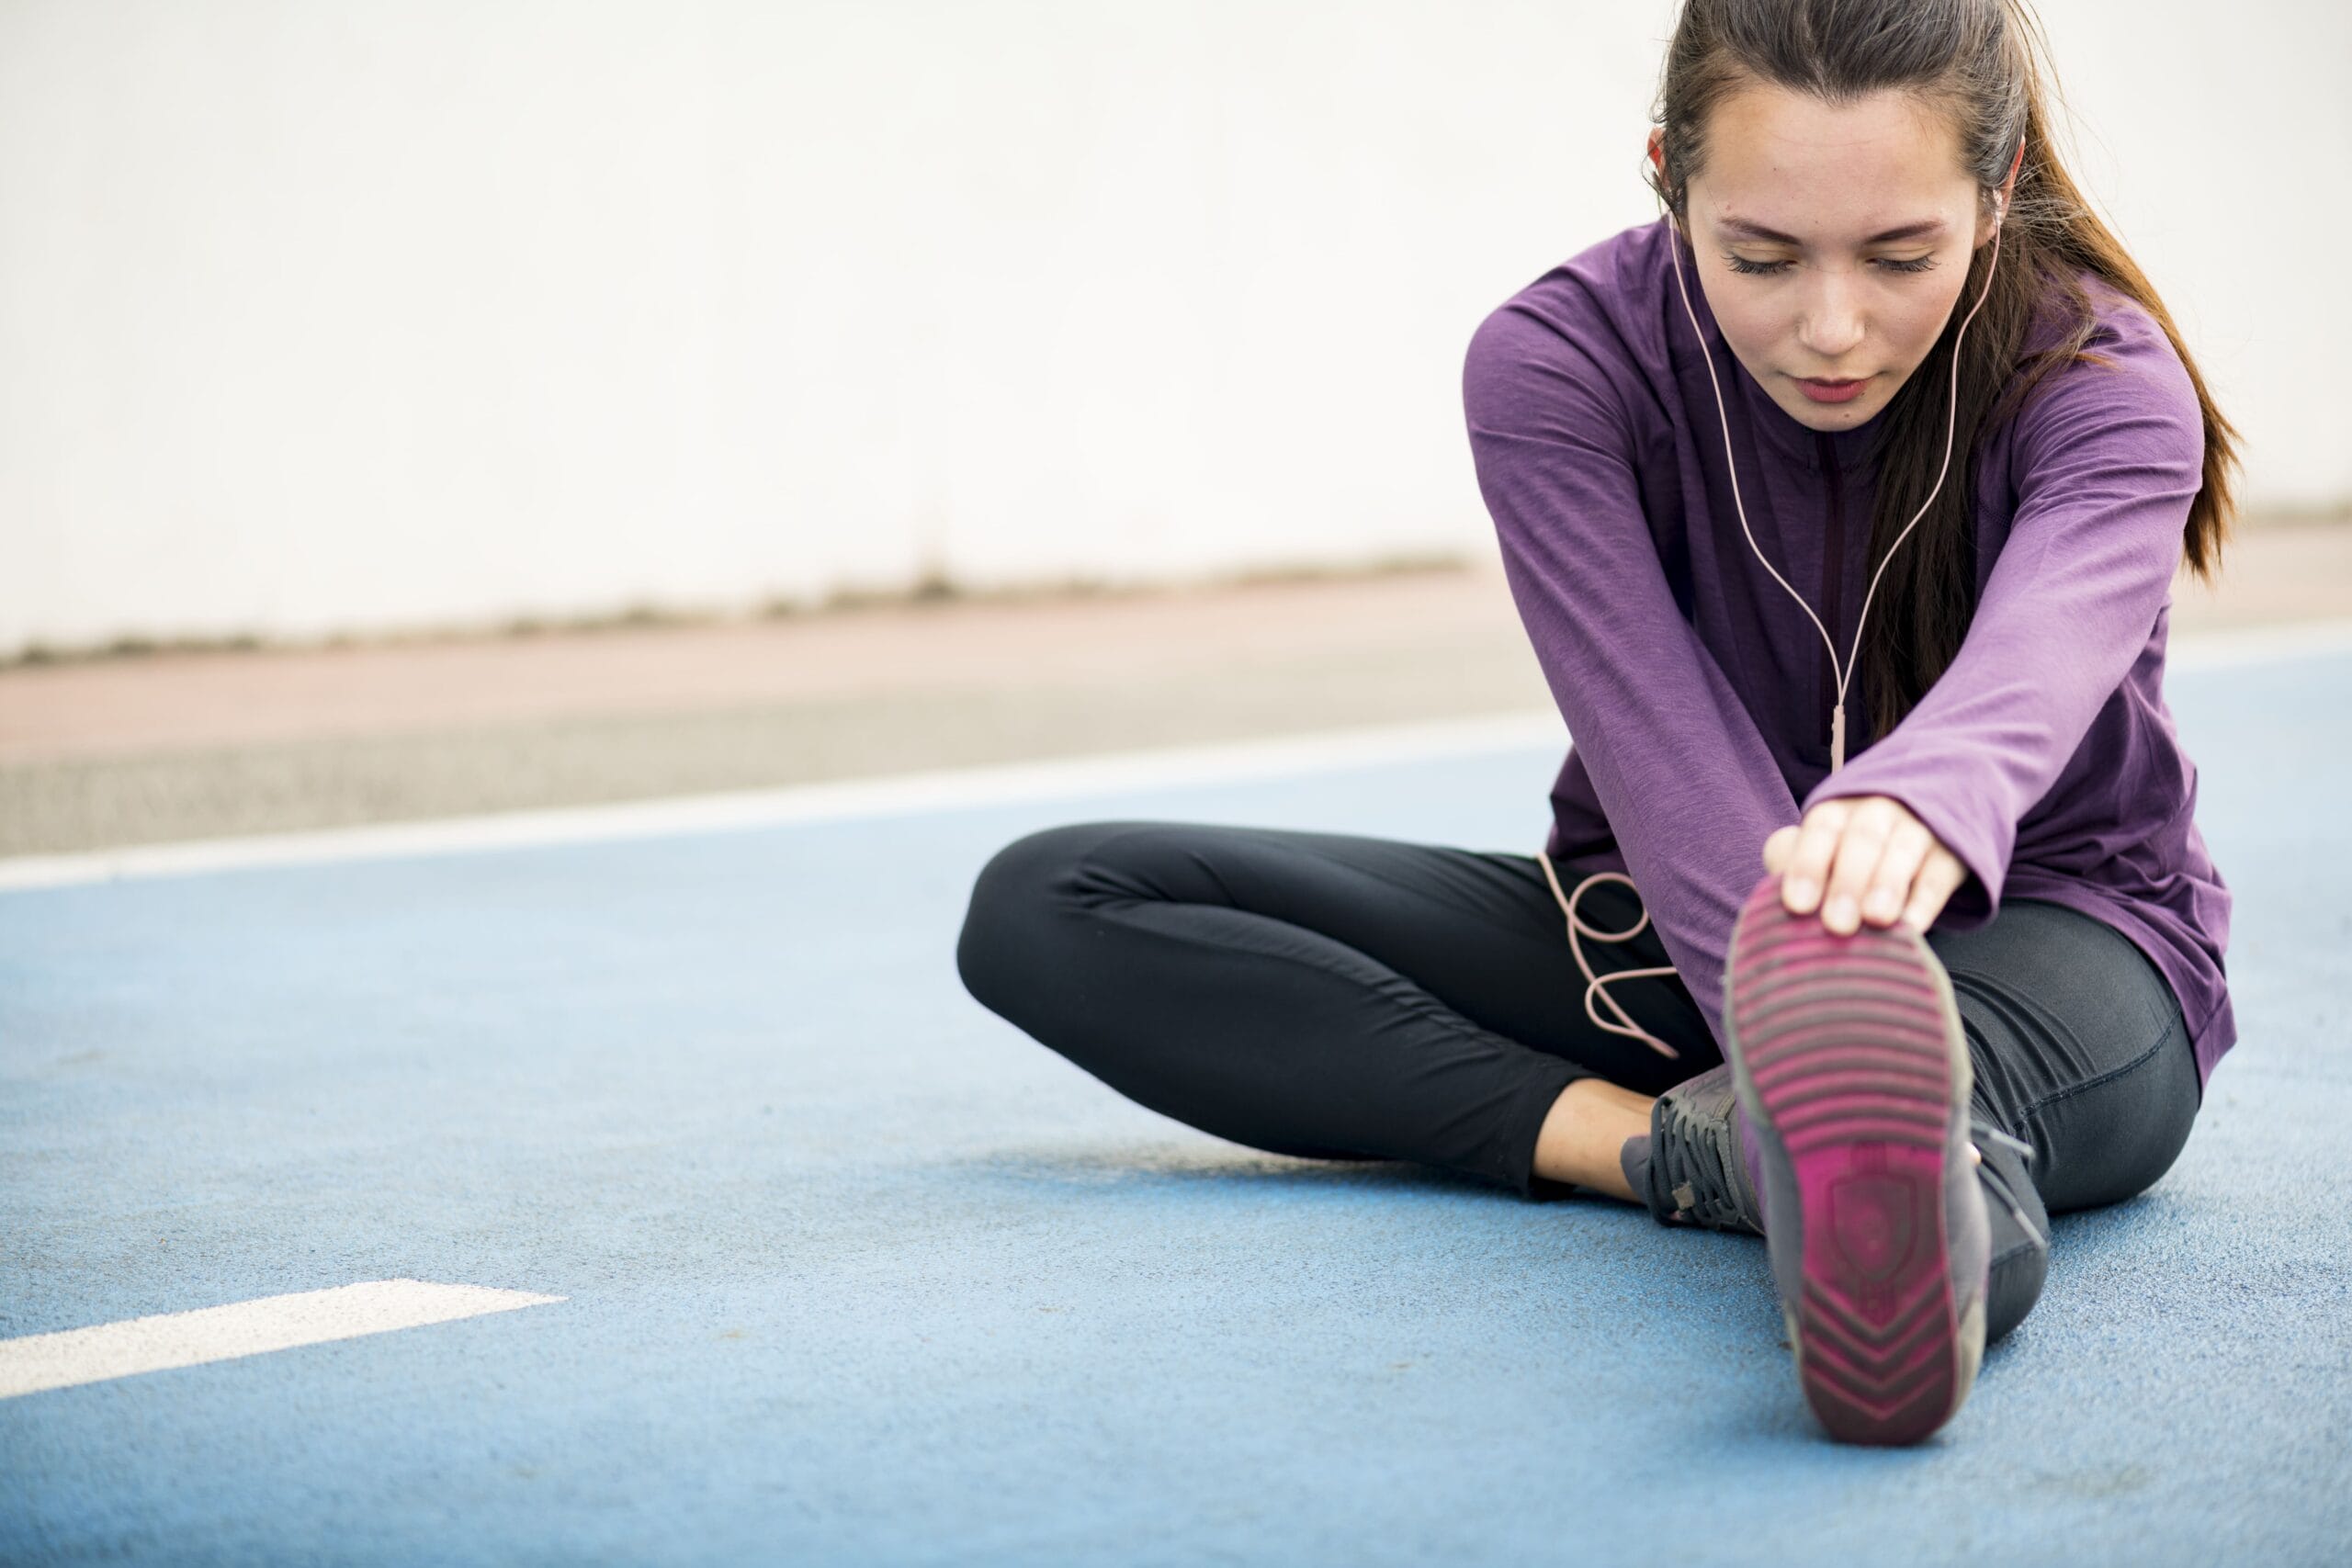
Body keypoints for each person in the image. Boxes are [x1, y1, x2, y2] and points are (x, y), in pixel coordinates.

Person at [955, 0, 2237, 1446]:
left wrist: (1918, 807)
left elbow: (2036, 662)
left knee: (1896, 1124)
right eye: (1760, 256)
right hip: (1671, 943)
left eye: (1899, 256)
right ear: (1664, 175)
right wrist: (1783, 984)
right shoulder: (1557, 366)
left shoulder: (2103, 385)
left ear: (1999, 193)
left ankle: (1866, 1184)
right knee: (1051, 903)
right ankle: (1659, 1151)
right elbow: (1656, 747)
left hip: (2059, 941)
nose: (1830, 327)